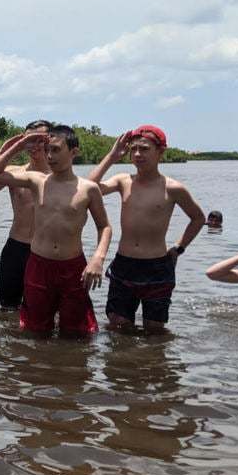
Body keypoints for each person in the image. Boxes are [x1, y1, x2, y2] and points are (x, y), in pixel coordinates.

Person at [0, 126, 112, 335]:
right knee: (35, 330)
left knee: (76, 332)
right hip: (39, 265)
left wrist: (98, 258)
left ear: (74, 152)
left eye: (56, 150)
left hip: (72, 266)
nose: (50, 156)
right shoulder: (36, 181)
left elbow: (104, 226)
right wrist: (20, 145)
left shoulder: (88, 188)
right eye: (48, 150)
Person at [88, 125, 206, 332]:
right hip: (124, 264)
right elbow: (87, 188)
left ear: (160, 152)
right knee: (118, 327)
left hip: (158, 267)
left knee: (155, 331)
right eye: (133, 149)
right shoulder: (123, 181)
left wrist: (178, 248)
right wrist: (112, 156)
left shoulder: (173, 188)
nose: (137, 154)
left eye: (144, 149)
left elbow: (198, 218)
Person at [0, 119, 52, 311]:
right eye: (29, 141)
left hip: (47, 251)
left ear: (51, 139)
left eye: (39, 139)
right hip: (16, 248)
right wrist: (7, 149)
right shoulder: (14, 173)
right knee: (8, 309)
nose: (34, 146)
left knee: (45, 310)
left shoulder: (61, 176)